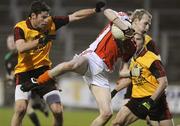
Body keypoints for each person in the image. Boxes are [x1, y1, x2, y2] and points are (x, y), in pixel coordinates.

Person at [19, 7, 139, 126]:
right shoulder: (123, 18)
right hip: (92, 57)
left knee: (107, 113)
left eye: (149, 24)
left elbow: (123, 70)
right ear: (136, 20)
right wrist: (125, 28)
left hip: (102, 71)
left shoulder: (133, 46)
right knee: (73, 64)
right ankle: (38, 80)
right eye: (145, 23)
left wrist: (133, 72)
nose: (147, 27)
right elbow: (108, 11)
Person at [11, 0, 105, 126]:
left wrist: (95, 10)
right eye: (43, 17)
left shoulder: (52, 23)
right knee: (21, 109)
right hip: (24, 73)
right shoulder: (20, 27)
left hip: (44, 72)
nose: (46, 20)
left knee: (57, 110)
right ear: (33, 16)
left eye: (47, 17)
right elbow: (20, 48)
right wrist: (41, 40)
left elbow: (75, 16)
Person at [111, 32, 174, 126]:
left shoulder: (152, 59)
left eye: (138, 39)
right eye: (133, 40)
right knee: (117, 123)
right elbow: (132, 78)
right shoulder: (134, 58)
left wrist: (149, 102)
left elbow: (164, 82)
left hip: (155, 101)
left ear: (144, 42)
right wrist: (114, 92)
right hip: (136, 100)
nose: (135, 42)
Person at [5, 35, 49, 126]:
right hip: (17, 84)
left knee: (22, 109)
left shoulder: (23, 53)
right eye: (9, 42)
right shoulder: (7, 58)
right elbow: (9, 73)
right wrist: (9, 78)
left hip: (28, 83)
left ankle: (39, 108)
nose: (11, 44)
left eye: (13, 42)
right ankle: (39, 106)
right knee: (22, 109)